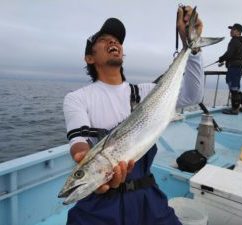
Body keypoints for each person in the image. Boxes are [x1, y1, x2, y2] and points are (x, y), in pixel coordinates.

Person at [63, 6, 204, 225]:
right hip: (99, 204)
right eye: (104, 39)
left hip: (147, 195)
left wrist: (192, 48)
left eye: (117, 40)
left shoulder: (146, 92)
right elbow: (79, 141)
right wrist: (82, 158)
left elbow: (193, 95)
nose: (113, 42)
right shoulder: (78, 98)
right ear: (89, 58)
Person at [218, 23, 242, 115]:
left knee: (234, 89)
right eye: (231, 29)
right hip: (238, 67)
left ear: (238, 32)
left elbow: (229, 54)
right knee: (237, 89)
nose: (231, 31)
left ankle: (235, 110)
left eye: (233, 29)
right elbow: (232, 54)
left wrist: (221, 59)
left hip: (234, 67)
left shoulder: (234, 41)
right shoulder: (240, 41)